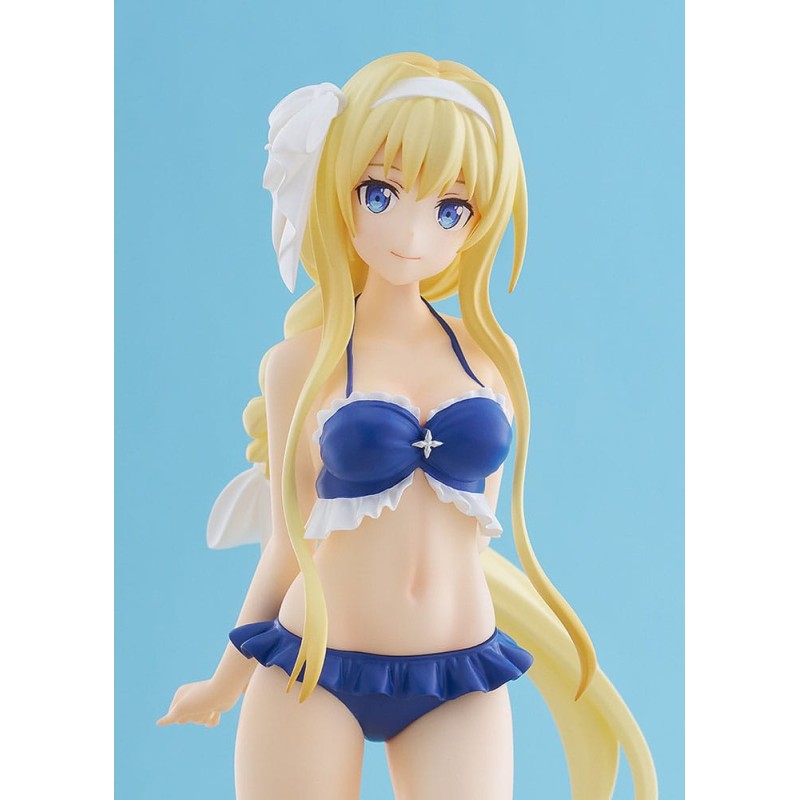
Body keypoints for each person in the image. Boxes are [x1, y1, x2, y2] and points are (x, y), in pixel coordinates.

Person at [158, 52, 657, 800]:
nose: (413, 233)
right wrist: (225, 680)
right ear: (341, 191)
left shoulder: (491, 358)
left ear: (478, 223)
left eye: (450, 208)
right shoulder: (299, 364)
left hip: (458, 670)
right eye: (382, 193)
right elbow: (289, 542)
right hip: (313, 664)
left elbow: (474, 529)